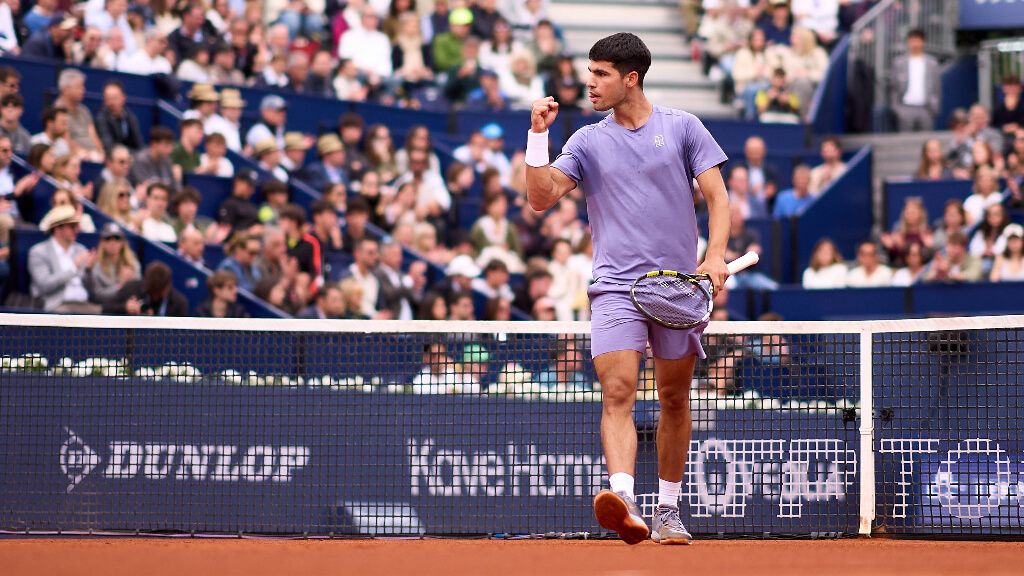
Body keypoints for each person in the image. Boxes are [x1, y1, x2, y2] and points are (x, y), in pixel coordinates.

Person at [525, 33, 730, 545]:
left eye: (600, 75)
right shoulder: (587, 141)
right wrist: (536, 138)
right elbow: (540, 198)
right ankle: (625, 500)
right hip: (615, 286)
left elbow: (717, 197)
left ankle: (668, 509)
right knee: (618, 391)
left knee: (675, 398)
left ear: (630, 78)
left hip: (678, 290)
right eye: (589, 73)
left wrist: (715, 256)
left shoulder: (684, 127)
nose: (589, 84)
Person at [28, 205, 101, 313]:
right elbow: (44, 285)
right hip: (55, 306)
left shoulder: (81, 249)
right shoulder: (38, 252)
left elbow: (93, 290)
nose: (77, 230)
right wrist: (73, 267)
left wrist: (89, 270)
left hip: (84, 304)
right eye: (72, 226)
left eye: (77, 225)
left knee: (107, 316)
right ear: (58, 229)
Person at [889, 29, 940, 133]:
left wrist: (934, 108)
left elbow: (937, 88)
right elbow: (893, 88)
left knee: (926, 143)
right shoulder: (898, 63)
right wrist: (897, 109)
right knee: (905, 143)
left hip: (926, 108)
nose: (915, 44)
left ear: (923, 42)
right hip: (905, 108)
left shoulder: (932, 63)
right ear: (908, 42)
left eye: (918, 40)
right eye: (912, 41)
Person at [103, 261, 189, 316]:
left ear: (167, 287)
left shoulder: (179, 303)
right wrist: (124, 307)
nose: (155, 297)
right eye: (153, 292)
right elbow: (106, 308)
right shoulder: (130, 289)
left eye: (159, 293)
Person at [95, 80, 144, 154]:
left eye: (114, 98)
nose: (111, 102)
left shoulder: (130, 116)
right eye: (107, 98)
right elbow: (109, 147)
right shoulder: (101, 118)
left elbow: (139, 143)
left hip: (131, 157)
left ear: (123, 98)